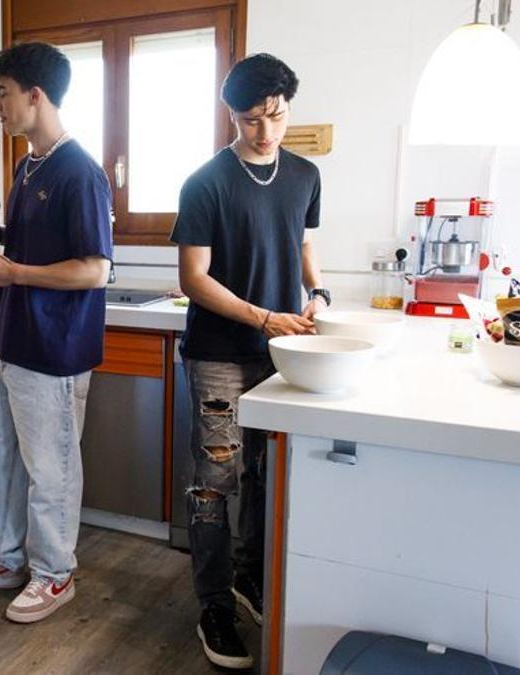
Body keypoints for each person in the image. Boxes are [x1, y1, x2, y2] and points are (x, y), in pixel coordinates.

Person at [0, 42, 113, 625]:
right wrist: (3, 263)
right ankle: (1, 558)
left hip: (55, 351)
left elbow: (95, 269)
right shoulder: (28, 166)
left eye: (3, 93)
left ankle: (54, 574)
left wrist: (15, 272)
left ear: (35, 96)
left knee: (51, 467)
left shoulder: (79, 170)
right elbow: (36, 256)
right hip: (11, 340)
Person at [171, 53, 327, 668]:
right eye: (250, 120)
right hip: (219, 354)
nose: (265, 132)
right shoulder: (206, 182)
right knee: (216, 482)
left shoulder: (306, 175)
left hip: (280, 352)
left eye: (276, 117)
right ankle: (213, 604)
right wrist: (263, 317)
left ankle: (248, 576)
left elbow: (303, 244)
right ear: (230, 114)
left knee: (266, 473)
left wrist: (317, 293)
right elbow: (193, 278)